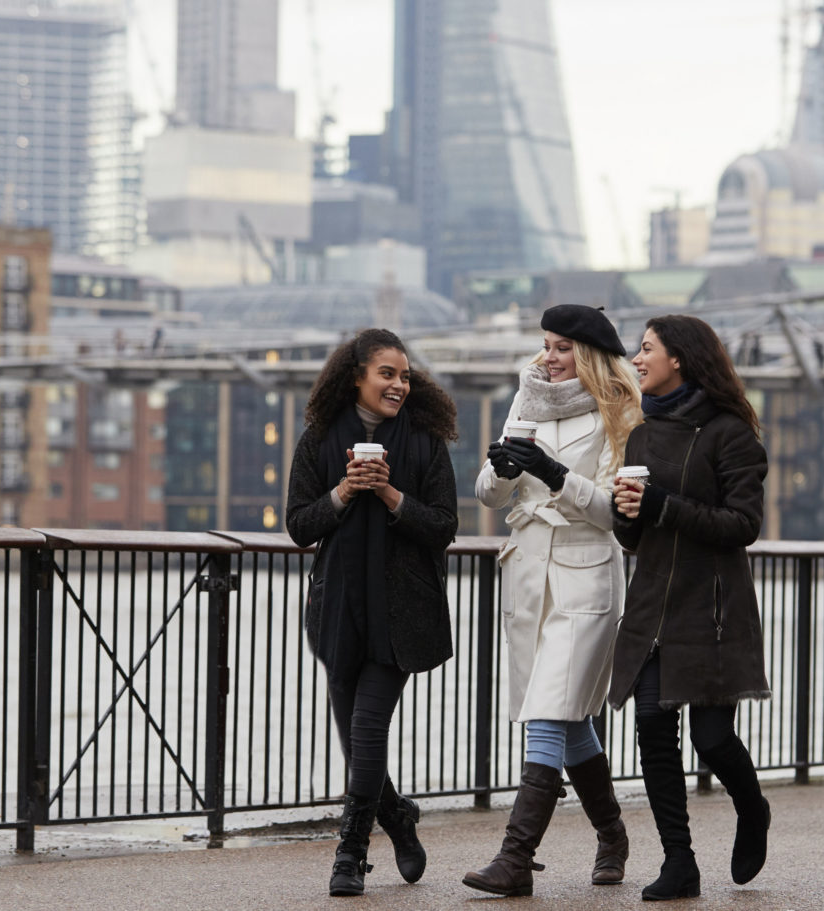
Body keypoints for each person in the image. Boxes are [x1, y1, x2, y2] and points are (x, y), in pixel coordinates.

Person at [463, 304, 642, 897]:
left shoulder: (621, 408)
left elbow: (615, 512)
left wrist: (556, 474)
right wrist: (503, 468)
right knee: (566, 721)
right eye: (545, 345)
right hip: (528, 570)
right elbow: (489, 497)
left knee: (548, 711)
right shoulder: (528, 397)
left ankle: (515, 860)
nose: (548, 357)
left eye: (562, 347)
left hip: (587, 575)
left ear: (588, 354)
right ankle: (613, 835)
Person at [285, 328, 460, 897]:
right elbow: (298, 526)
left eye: (406, 375)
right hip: (338, 609)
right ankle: (398, 817)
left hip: (402, 613)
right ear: (356, 375)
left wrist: (388, 495)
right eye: (387, 373)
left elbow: (444, 527)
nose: (399, 385)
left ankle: (350, 854)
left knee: (365, 727)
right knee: (357, 745)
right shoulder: (318, 438)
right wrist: (342, 492)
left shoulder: (426, 441)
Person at [610, 314, 772, 902]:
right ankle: (680, 862)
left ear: (678, 357)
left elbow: (743, 525)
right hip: (652, 606)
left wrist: (663, 505)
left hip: (711, 611)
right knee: (653, 728)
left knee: (711, 739)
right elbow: (638, 538)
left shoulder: (731, 434)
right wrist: (625, 516)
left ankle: (752, 809)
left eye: (646, 348)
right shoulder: (640, 436)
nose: (636, 357)